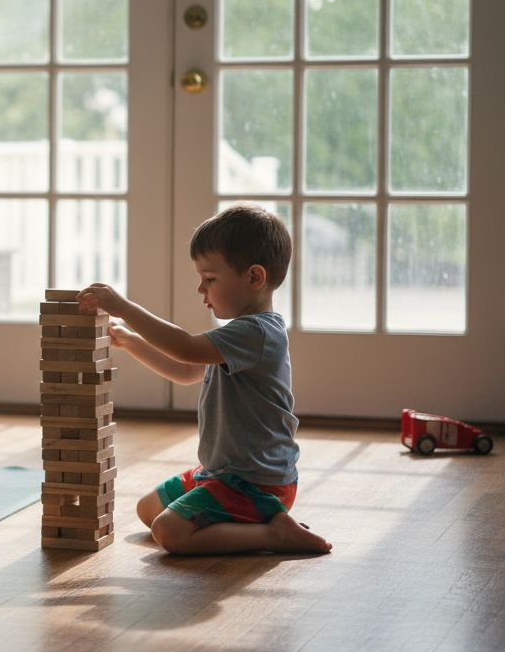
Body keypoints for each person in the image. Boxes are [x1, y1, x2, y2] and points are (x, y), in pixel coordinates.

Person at [76, 204, 331, 555]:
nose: (201, 289)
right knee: (148, 510)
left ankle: (274, 534)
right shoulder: (237, 335)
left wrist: (125, 308)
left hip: (256, 483)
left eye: (210, 279)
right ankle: (250, 522)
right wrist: (132, 343)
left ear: (254, 278)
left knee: (169, 531)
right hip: (222, 473)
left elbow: (185, 348)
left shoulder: (257, 332)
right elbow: (185, 371)